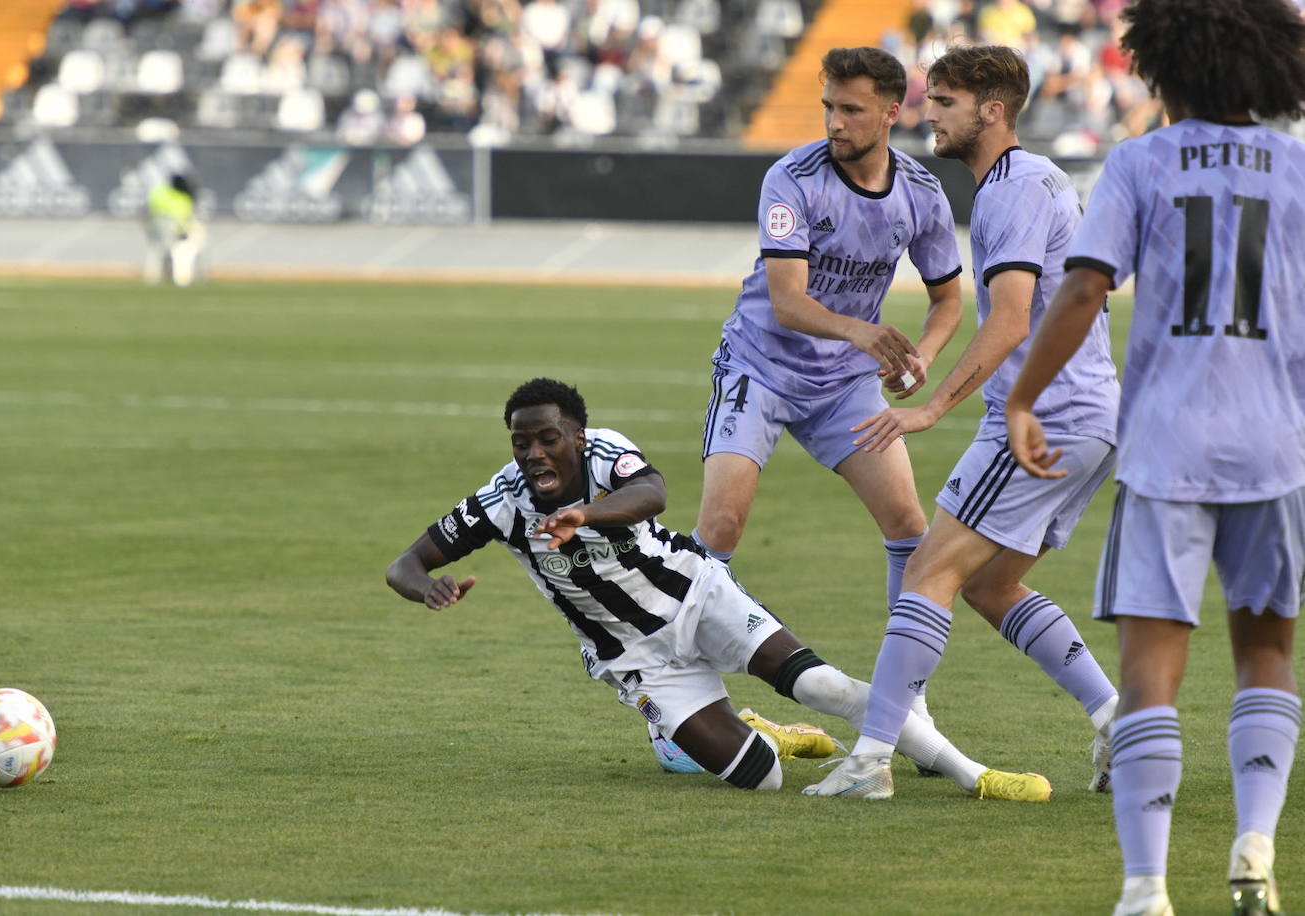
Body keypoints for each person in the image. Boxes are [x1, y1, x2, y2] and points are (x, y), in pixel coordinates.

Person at [386, 377, 1052, 801]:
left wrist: (587, 514)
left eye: (547, 439)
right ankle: (768, 733)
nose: (533, 455)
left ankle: (976, 776)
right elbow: (404, 564)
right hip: (636, 660)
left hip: (698, 598)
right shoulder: (502, 503)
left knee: (822, 686)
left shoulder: (604, 453)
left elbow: (652, 492)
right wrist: (429, 590)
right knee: (760, 777)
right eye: (521, 443)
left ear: (577, 437)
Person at [1004, 1, 1305, 912]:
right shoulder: (1298, 169)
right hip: (1275, 447)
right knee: (1264, 654)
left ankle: (1145, 886)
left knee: (1149, 677)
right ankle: (1254, 840)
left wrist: (1023, 395)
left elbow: (1087, 284)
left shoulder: (1141, 160)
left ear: (1164, 65)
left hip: (1169, 442)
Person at [821, 44, 1121, 801]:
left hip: (1042, 420)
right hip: (1089, 418)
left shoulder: (1011, 190)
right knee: (991, 585)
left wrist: (931, 407)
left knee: (929, 572)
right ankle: (1117, 715)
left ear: (992, 109)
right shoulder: (1039, 179)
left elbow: (1012, 318)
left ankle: (870, 763)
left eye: (945, 102)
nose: (930, 114)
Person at [690, 46, 965, 747]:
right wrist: (866, 333)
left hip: (844, 385)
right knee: (720, 527)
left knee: (910, 526)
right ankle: (685, 695)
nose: (835, 123)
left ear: (890, 112)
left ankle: (909, 699)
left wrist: (922, 359)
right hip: (760, 365)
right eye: (828, 107)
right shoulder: (793, 178)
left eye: (850, 109)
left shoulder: (922, 193)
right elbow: (787, 302)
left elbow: (947, 300)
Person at [144, 173, 205, 288]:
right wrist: (183, 232)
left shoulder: (158, 192)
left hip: (158, 228)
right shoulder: (182, 197)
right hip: (172, 230)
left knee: (157, 252)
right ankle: (181, 278)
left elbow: (149, 210)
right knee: (181, 251)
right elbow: (183, 217)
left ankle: (152, 277)